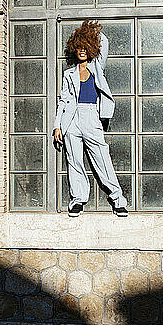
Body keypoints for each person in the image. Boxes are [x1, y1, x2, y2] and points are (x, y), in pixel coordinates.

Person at [52, 19, 129, 218]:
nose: (82, 51)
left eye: (85, 47)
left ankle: (118, 199)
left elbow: (104, 42)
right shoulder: (69, 73)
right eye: (78, 47)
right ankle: (78, 200)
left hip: (92, 116)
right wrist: (57, 126)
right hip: (71, 119)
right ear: (74, 50)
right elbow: (64, 100)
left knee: (102, 158)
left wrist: (90, 31)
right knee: (74, 160)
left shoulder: (97, 67)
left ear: (90, 48)